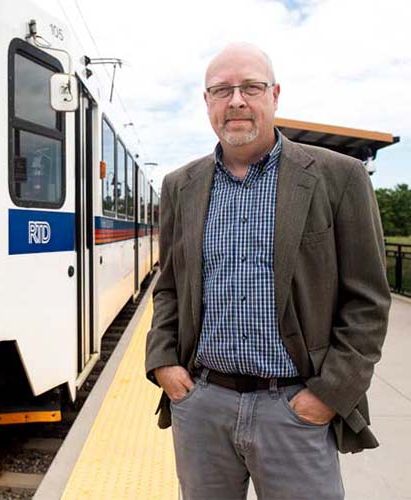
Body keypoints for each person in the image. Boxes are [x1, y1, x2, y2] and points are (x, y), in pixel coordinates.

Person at [145, 43, 390, 500]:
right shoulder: (180, 186)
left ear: (274, 95)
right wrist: (163, 363)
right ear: (207, 103)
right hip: (202, 407)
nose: (236, 100)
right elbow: (170, 287)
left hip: (295, 409)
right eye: (221, 90)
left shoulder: (339, 177)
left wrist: (327, 395)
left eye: (251, 87)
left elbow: (368, 302)